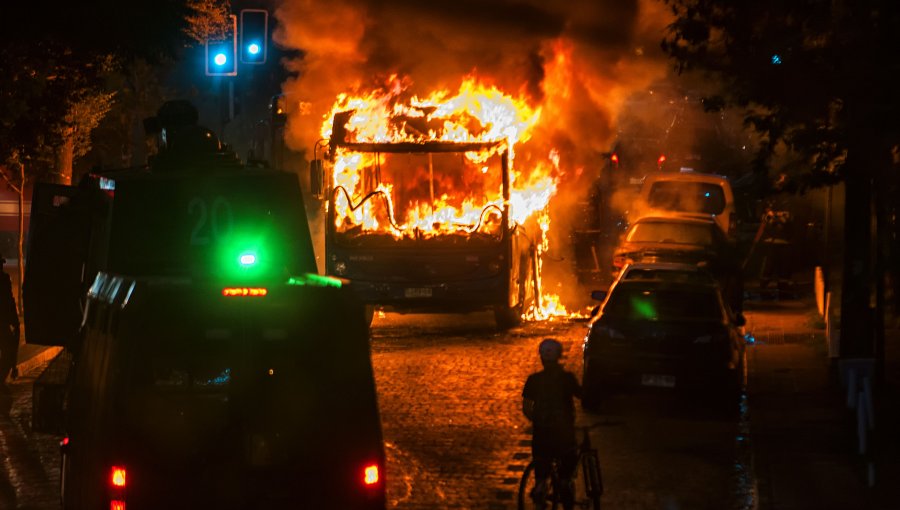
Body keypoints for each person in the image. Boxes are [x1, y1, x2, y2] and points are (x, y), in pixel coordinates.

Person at [522, 338, 582, 510]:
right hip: (564, 433)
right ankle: (564, 486)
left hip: (542, 434)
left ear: (541, 357)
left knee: (541, 464)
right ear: (559, 356)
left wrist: (538, 422)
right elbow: (581, 395)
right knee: (566, 469)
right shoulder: (567, 378)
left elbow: (526, 407)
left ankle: (540, 487)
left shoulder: (533, 380)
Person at [0, 256, 20, 392]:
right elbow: (9, 300)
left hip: (4, 321)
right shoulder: (4, 279)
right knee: (8, 352)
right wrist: (14, 320)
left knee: (8, 351)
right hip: (3, 322)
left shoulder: (4, 279)